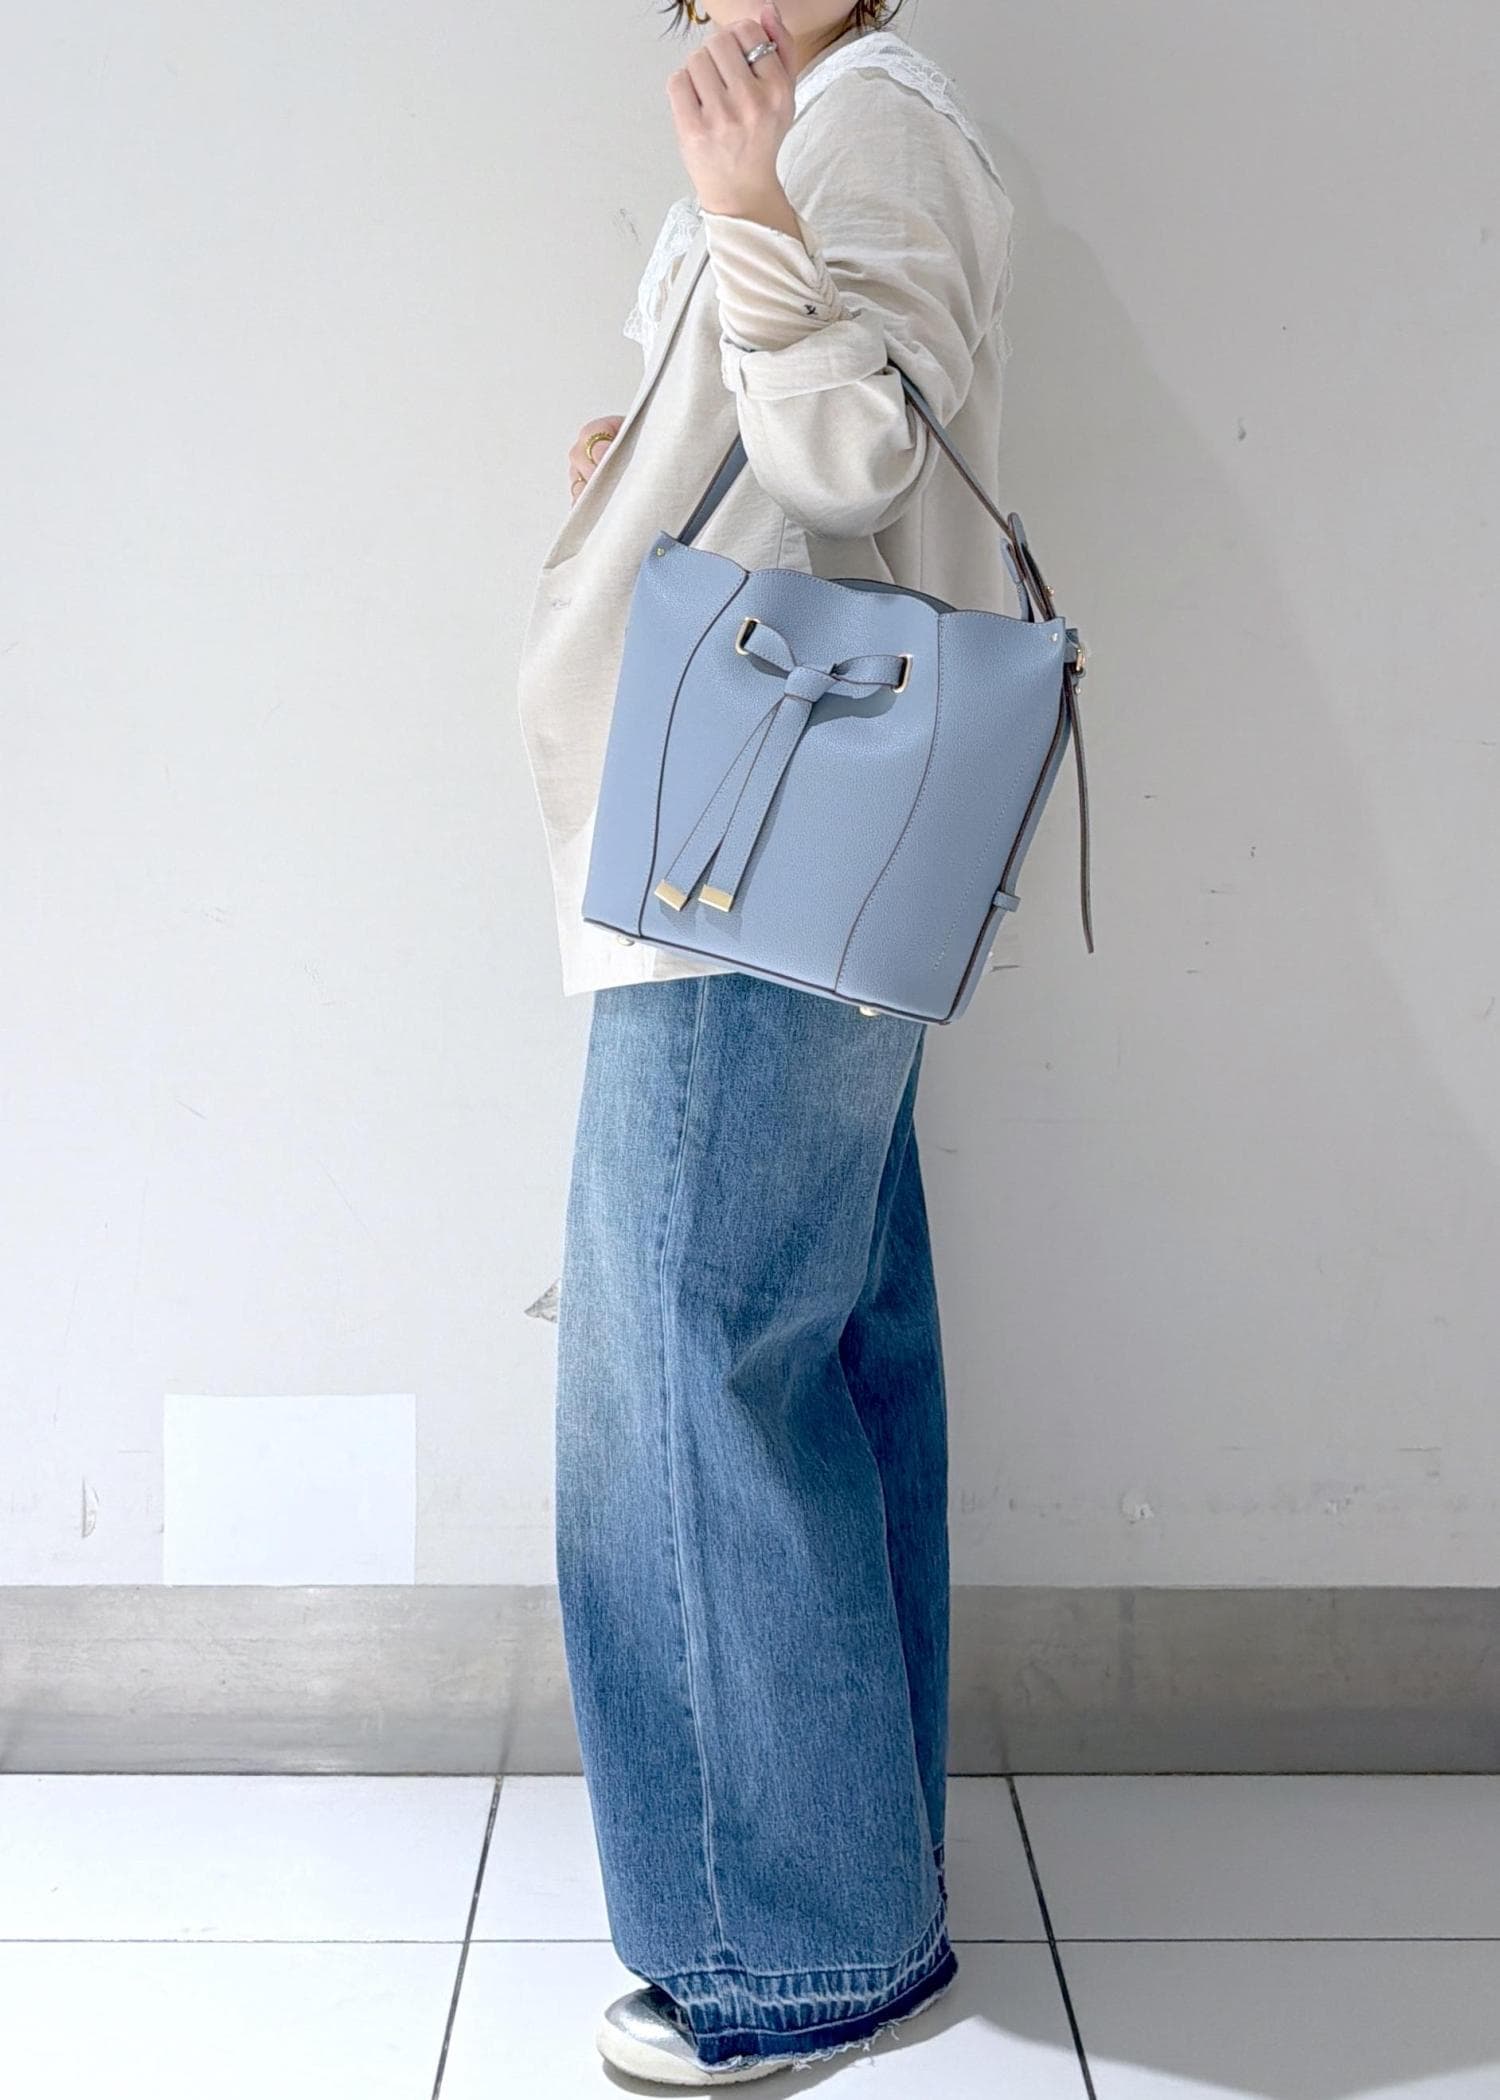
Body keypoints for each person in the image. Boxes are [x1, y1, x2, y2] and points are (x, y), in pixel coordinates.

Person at [514, 0, 1019, 2081]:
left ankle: (783, 1958)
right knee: (812, 1359)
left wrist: (742, 207)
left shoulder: (865, 115)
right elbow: (797, 436)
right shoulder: (821, 114)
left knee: (686, 1387)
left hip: (755, 853)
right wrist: (646, 451)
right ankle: (855, 1901)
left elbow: (860, 455)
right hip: (775, 845)